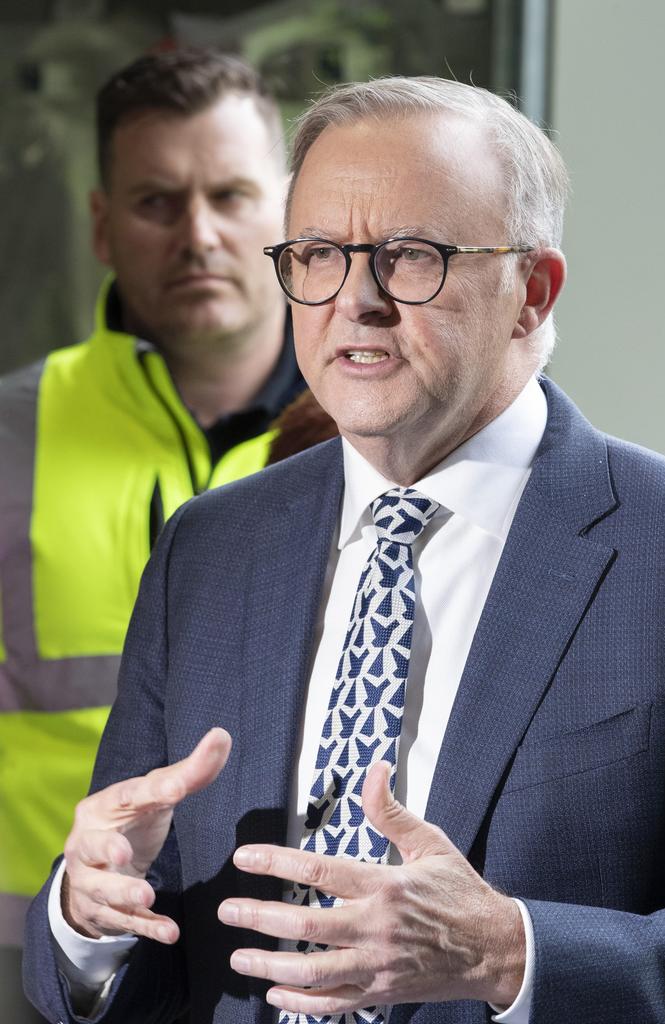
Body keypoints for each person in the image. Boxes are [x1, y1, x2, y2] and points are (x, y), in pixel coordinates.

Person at [24, 76, 665, 1024]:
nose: (357, 301)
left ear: (530, 293)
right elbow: (112, 951)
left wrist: (510, 955)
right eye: (320, 254)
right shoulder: (208, 549)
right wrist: (86, 918)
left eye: (412, 256)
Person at [0, 47, 334, 1021]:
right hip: (41, 952)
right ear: (102, 226)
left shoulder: (375, 433)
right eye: (157, 203)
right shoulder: (10, 436)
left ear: (287, 211)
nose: (199, 235)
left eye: (231, 195)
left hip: (290, 959)